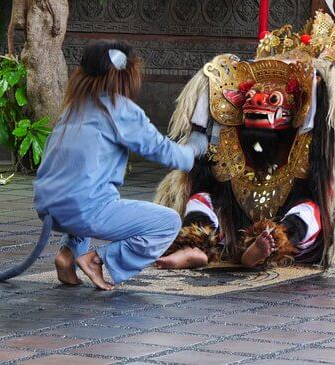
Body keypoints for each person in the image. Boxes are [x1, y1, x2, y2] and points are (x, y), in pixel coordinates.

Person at [33, 40, 207, 290]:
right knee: (167, 222)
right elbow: (164, 153)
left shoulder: (73, 108)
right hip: (84, 209)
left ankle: (67, 255)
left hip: (48, 207)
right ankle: (98, 260)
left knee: (86, 194)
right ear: (124, 76)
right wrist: (195, 148)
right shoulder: (120, 109)